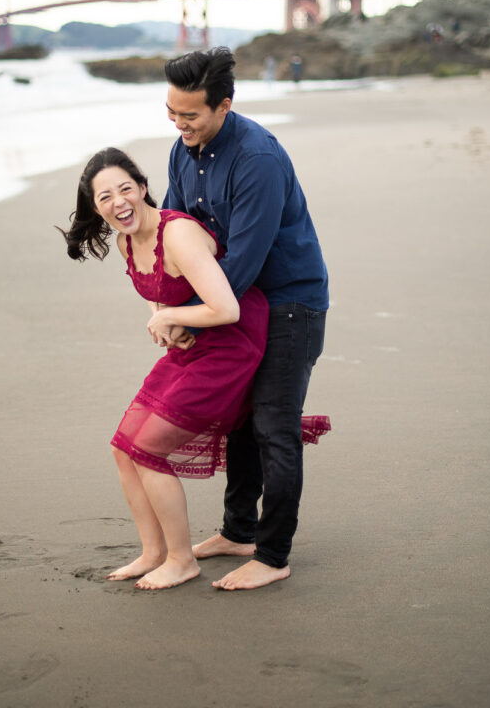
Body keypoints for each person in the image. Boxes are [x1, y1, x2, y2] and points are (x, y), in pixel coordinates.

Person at [61, 148, 328, 591]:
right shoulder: (127, 238)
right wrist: (169, 322)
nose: (118, 202)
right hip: (195, 341)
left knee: (148, 447)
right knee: (122, 448)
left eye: (125, 188)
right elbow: (156, 292)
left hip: (232, 341)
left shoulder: (178, 234)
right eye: (105, 196)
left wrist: (169, 319)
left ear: (144, 188)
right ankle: (153, 552)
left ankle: (182, 560)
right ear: (95, 205)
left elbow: (227, 308)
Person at [160, 46, 330, 590]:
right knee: (239, 422)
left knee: (274, 427)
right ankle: (239, 530)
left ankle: (274, 555)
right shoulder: (181, 151)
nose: (180, 124)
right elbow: (173, 230)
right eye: (171, 112)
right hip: (233, 302)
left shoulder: (256, 158)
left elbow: (244, 261)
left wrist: (189, 318)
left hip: (289, 302)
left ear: (224, 106)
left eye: (190, 115)